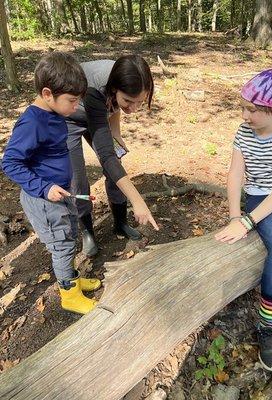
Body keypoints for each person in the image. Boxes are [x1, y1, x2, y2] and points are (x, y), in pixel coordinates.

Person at [2, 52, 101, 315]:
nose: (75, 106)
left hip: (60, 194)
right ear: (47, 94)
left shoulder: (56, 112)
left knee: (69, 234)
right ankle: (69, 294)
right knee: (62, 244)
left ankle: (74, 280)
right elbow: (10, 163)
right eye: (72, 100)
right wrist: (44, 187)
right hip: (44, 200)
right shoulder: (32, 123)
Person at [215, 69, 272, 372]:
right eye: (243, 107)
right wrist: (237, 217)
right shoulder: (243, 133)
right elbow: (236, 174)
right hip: (260, 197)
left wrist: (246, 223)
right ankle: (267, 329)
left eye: (252, 109)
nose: (244, 114)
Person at [66, 55, 159, 257]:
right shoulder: (94, 88)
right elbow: (106, 156)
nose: (133, 109)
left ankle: (120, 222)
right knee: (78, 178)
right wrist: (138, 200)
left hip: (98, 116)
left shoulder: (122, 80)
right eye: (129, 101)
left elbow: (113, 106)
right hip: (70, 119)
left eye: (140, 103)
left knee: (116, 163)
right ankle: (88, 232)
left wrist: (115, 134)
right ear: (115, 88)